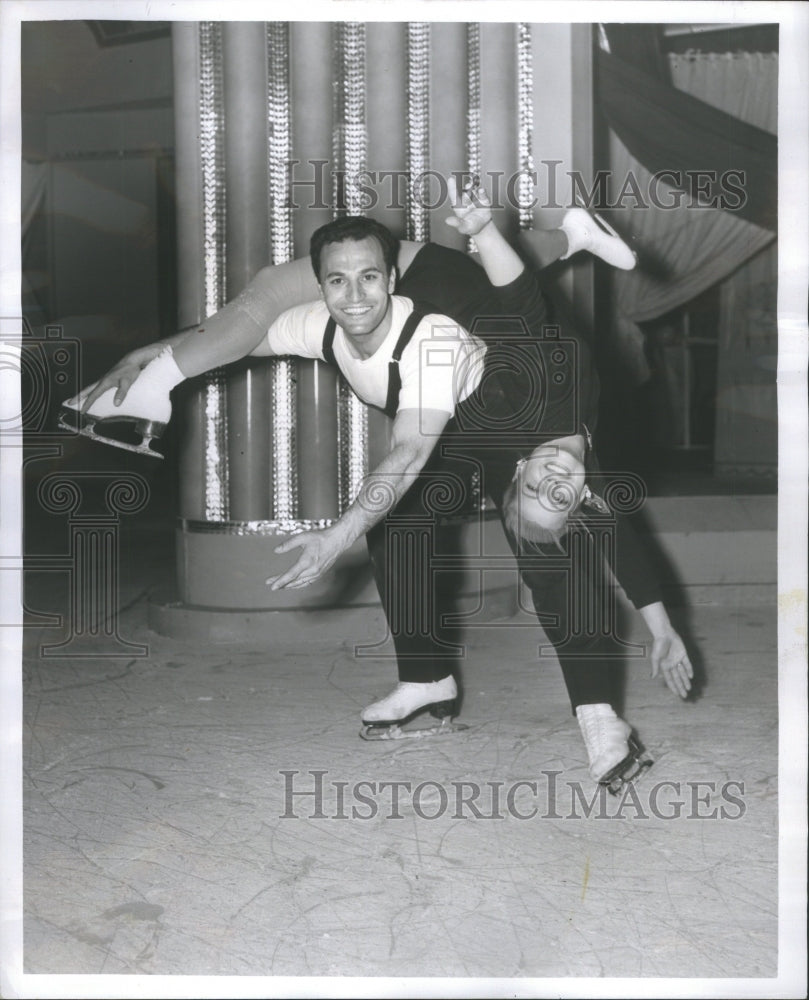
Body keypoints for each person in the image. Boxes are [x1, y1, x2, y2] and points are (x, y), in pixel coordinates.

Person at [64, 190, 691, 789]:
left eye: (541, 491)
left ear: (522, 476)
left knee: (543, 561)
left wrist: (661, 630)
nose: (557, 480)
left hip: (459, 408)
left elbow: (412, 448)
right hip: (482, 362)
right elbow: (246, 332)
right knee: (402, 513)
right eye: (564, 488)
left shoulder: (441, 359)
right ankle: (427, 679)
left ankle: (599, 716)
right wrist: (148, 359)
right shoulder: (547, 381)